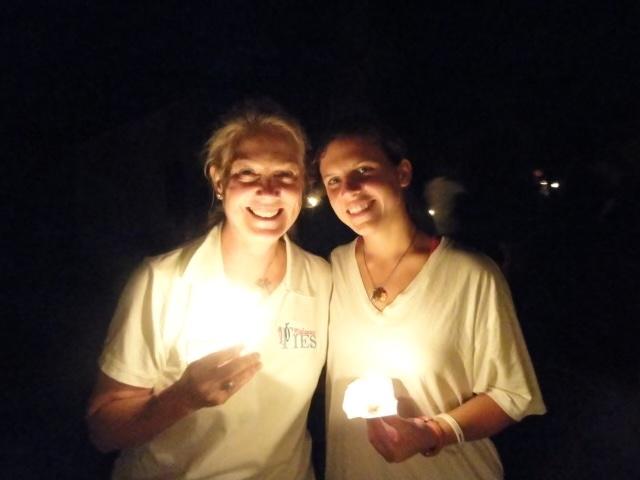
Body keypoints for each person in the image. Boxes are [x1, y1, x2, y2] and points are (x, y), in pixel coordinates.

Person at [87, 100, 331, 480]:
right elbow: (103, 429)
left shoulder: (322, 281)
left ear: (303, 183)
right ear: (218, 181)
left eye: (285, 175)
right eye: (247, 173)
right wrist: (183, 397)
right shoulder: (164, 281)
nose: (268, 192)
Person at [316, 122, 546, 479]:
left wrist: (433, 432)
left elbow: (511, 394)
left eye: (363, 170)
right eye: (333, 180)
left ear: (402, 173)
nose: (349, 190)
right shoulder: (332, 270)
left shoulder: (470, 274)